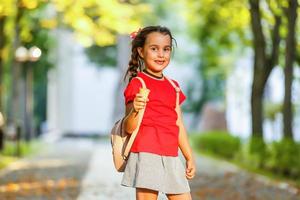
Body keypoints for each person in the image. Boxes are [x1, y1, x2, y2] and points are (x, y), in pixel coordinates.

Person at [121, 25, 196, 200]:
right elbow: (128, 128)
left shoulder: (174, 86)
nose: (161, 54)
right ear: (141, 51)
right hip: (146, 153)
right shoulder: (138, 83)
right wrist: (136, 110)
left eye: (166, 49)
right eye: (154, 49)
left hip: (171, 154)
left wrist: (188, 156)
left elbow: (178, 124)